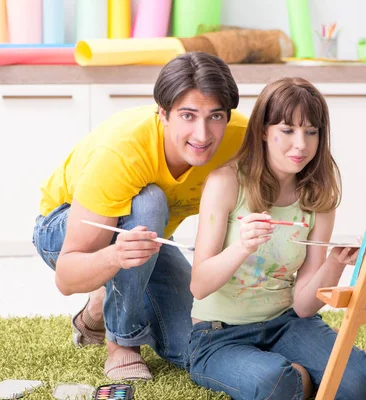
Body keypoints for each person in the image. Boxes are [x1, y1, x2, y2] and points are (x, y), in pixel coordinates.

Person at [32, 52, 248, 381]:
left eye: (215, 116)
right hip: (65, 231)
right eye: (188, 115)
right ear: (163, 113)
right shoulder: (123, 149)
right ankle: (122, 344)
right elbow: (67, 276)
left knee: (195, 346)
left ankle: (98, 308)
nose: (203, 134)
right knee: (149, 201)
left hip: (147, 237)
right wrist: (116, 254)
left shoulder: (240, 139)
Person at [188, 77, 366, 399]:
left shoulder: (317, 196)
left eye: (311, 132)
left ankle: (302, 371)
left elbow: (304, 306)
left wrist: (336, 262)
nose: (301, 145)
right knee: (275, 383)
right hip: (219, 335)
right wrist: (242, 246)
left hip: (289, 323)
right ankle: (300, 375)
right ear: (264, 131)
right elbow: (199, 285)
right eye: (288, 130)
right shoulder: (225, 182)